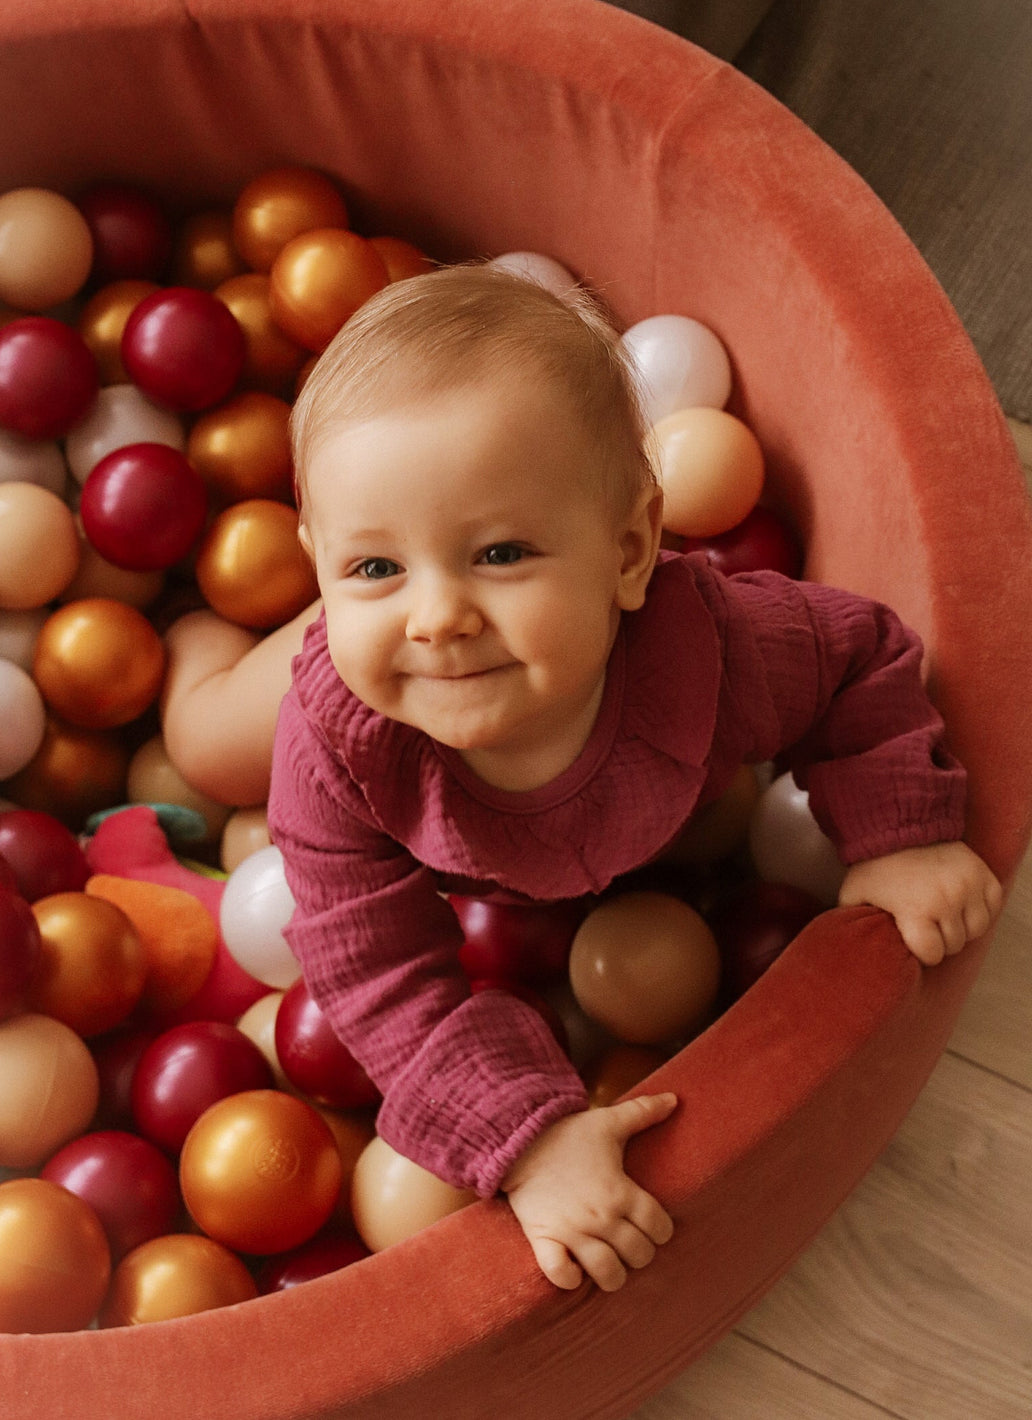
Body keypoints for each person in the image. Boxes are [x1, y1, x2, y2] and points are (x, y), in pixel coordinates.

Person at [264, 263, 1002, 1295]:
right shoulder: (335, 754)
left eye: (501, 553)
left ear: (631, 550)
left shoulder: (714, 650)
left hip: (654, 812)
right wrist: (524, 1137)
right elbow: (374, 970)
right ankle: (228, 669)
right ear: (316, 563)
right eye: (374, 568)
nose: (436, 618)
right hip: (373, 746)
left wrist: (901, 831)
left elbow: (858, 658)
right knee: (214, 740)